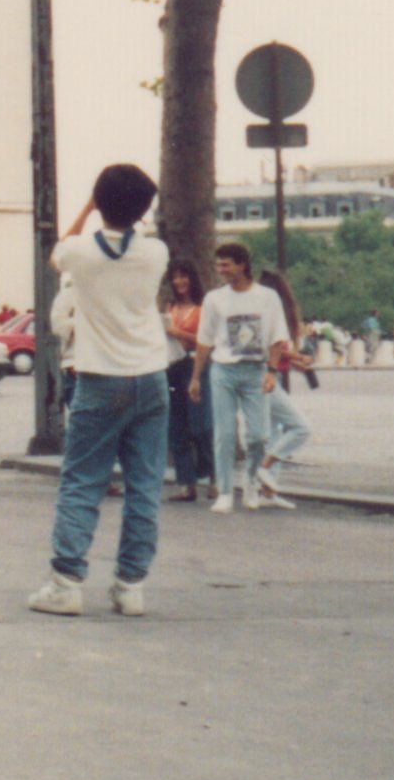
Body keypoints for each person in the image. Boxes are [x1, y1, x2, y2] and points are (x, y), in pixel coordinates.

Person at [26, 168, 172, 615]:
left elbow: (56, 254)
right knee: (144, 485)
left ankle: (66, 582)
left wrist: (87, 206)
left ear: (99, 202)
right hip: (150, 374)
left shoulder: (81, 253)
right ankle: (130, 585)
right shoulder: (155, 253)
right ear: (144, 208)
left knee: (82, 482)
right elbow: (135, 233)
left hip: (98, 375)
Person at [190, 241, 291, 516]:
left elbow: (277, 337)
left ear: (242, 264)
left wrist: (271, 372)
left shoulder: (267, 297)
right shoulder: (214, 299)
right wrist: (196, 377)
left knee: (259, 435)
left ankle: (250, 482)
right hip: (223, 369)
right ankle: (224, 492)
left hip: (255, 370)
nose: (221, 270)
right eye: (218, 265)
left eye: (226, 264)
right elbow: (204, 340)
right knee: (224, 433)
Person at [258, 264, 313, 505]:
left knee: (274, 434)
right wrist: (297, 358)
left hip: (268, 377)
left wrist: (296, 362)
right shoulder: (273, 316)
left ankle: (267, 491)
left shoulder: (266, 313)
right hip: (265, 378)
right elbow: (273, 348)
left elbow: (278, 353)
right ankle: (264, 466)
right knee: (300, 428)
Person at [161, 260, 210, 501]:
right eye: (175, 277)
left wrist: (180, 334)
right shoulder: (170, 307)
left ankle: (210, 472)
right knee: (176, 426)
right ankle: (186, 483)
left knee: (200, 424)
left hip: (194, 364)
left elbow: (207, 340)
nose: (179, 282)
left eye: (184, 277)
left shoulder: (202, 309)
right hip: (171, 366)